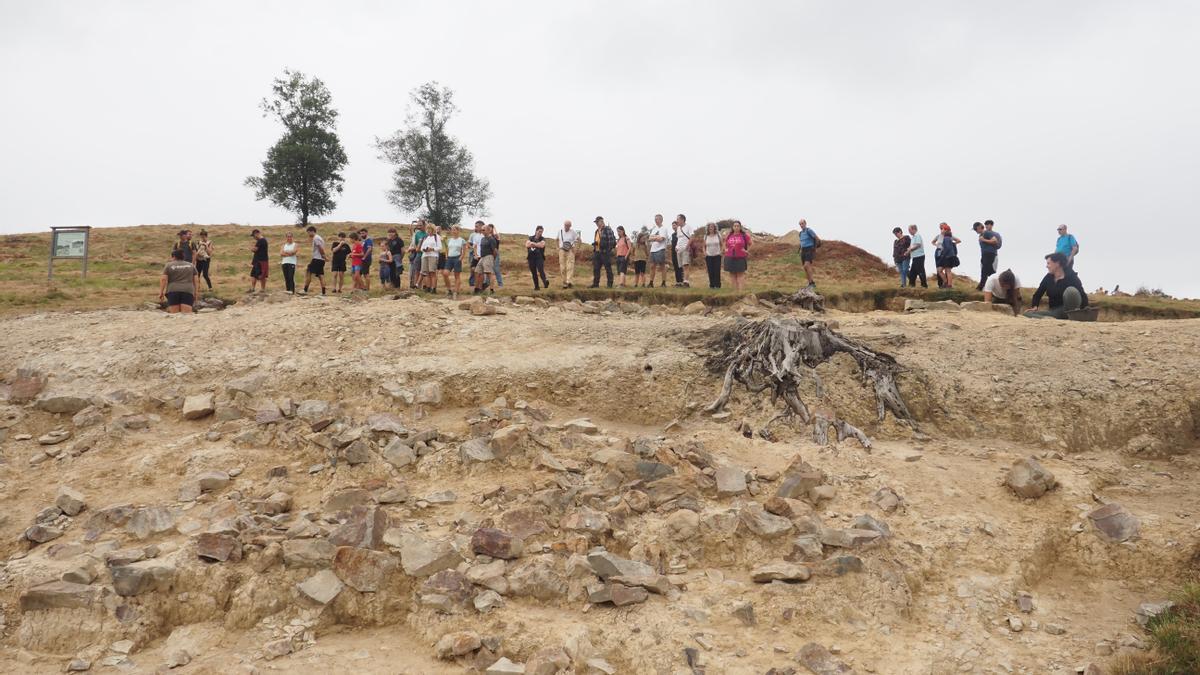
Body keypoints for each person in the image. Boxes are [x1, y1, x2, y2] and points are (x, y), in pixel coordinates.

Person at [1026, 252, 1088, 319]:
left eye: (1048, 263)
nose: (1046, 266)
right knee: (1027, 313)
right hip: (1054, 311)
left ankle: (1070, 316)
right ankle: (1046, 319)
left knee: (1071, 291)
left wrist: (1086, 309)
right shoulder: (1048, 277)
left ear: (1057, 263)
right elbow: (1037, 294)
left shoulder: (1071, 277)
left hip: (1070, 310)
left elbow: (1082, 295)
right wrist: (1035, 307)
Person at [723, 220, 751, 291]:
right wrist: (725, 249)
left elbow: (751, 243)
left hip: (740, 257)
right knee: (732, 275)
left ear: (740, 227)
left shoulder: (744, 235)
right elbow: (724, 243)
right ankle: (735, 292)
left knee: (740, 275)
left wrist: (747, 251)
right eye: (735, 226)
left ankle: (740, 292)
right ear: (732, 227)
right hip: (729, 257)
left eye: (738, 226)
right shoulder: (729, 235)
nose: (736, 227)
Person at [975, 220, 1002, 291]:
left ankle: (980, 287)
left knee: (984, 271)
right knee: (990, 272)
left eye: (975, 229)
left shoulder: (987, 232)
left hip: (989, 254)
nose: (975, 231)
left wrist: (983, 240)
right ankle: (993, 288)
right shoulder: (985, 233)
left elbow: (994, 241)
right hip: (987, 254)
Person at [590, 216, 616, 288]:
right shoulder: (597, 231)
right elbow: (598, 240)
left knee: (608, 268)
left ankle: (609, 284)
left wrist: (608, 250)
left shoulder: (607, 229)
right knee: (596, 269)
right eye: (596, 222)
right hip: (597, 252)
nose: (596, 224)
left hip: (605, 252)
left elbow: (612, 241)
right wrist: (595, 244)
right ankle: (595, 284)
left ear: (601, 221)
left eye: (597, 222)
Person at [933, 223, 962, 288]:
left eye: (942, 229)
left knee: (945, 270)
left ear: (946, 230)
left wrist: (943, 254)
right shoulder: (948, 238)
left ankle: (948, 284)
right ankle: (947, 283)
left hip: (946, 256)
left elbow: (947, 248)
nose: (941, 230)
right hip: (949, 256)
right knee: (943, 270)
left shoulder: (946, 238)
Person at [302, 226, 327, 295]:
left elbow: (320, 248)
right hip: (320, 260)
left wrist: (324, 255)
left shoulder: (316, 238)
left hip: (317, 259)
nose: (308, 234)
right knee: (320, 275)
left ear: (312, 231)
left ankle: (305, 290)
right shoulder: (320, 238)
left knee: (309, 272)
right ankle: (323, 292)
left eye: (308, 232)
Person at [474, 224, 499, 293]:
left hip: (488, 256)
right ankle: (477, 288)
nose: (482, 231)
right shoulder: (482, 239)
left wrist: (493, 258)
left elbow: (495, 250)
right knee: (477, 271)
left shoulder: (491, 239)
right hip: (482, 257)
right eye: (481, 230)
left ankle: (492, 290)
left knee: (489, 273)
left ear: (488, 230)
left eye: (483, 230)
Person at [556, 220, 579, 288]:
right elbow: (557, 239)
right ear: (564, 225)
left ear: (570, 226)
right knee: (562, 267)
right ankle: (564, 282)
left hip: (570, 250)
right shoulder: (560, 231)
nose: (566, 227)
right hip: (562, 250)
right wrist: (557, 248)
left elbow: (579, 239)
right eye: (565, 225)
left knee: (570, 266)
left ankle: (569, 282)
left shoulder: (573, 232)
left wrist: (576, 249)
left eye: (568, 226)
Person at [445, 225, 466, 297]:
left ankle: (456, 292)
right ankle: (449, 289)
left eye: (454, 230)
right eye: (452, 230)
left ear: (458, 231)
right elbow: (447, 248)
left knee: (456, 275)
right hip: (450, 258)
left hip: (457, 257)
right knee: (445, 273)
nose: (453, 231)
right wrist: (446, 256)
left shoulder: (462, 240)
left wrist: (460, 258)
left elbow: (464, 251)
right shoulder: (449, 240)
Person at [648, 214, 669, 287]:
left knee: (662, 266)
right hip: (653, 249)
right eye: (655, 219)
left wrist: (654, 238)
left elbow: (661, 239)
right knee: (652, 266)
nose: (655, 220)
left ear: (661, 220)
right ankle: (651, 283)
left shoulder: (664, 229)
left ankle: (663, 283)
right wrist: (656, 237)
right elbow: (649, 238)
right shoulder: (654, 229)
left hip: (660, 249)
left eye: (657, 219)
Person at [526, 225, 549, 290]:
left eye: (541, 232)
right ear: (536, 231)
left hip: (539, 257)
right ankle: (536, 287)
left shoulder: (542, 239)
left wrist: (533, 244)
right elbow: (527, 245)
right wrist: (537, 245)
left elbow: (542, 245)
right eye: (539, 231)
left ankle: (545, 282)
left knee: (540, 270)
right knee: (533, 272)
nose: (540, 233)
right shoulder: (530, 237)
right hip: (531, 257)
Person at [798, 219, 819, 288]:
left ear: (805, 223)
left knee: (806, 265)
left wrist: (815, 249)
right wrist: (801, 250)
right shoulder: (800, 233)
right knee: (805, 268)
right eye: (800, 224)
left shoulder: (809, 230)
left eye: (802, 223)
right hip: (803, 251)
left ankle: (812, 283)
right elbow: (802, 242)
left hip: (809, 249)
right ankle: (810, 283)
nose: (801, 225)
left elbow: (816, 238)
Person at [419, 225, 441, 291]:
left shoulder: (437, 237)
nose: (428, 230)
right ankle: (428, 287)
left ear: (433, 229)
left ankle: (433, 288)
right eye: (427, 229)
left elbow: (440, 247)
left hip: (433, 256)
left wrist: (432, 249)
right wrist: (424, 249)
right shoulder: (426, 237)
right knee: (426, 272)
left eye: (430, 229)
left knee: (432, 272)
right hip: (425, 255)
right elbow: (421, 247)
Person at [673, 214, 692, 287]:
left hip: (685, 248)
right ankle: (682, 281)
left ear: (682, 220)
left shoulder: (688, 227)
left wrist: (687, 246)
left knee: (686, 265)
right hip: (679, 249)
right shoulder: (678, 228)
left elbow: (692, 237)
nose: (677, 221)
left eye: (678, 219)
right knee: (681, 266)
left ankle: (686, 282)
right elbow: (679, 238)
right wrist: (676, 246)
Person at [409, 221, 428, 289]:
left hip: (427, 255)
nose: (419, 227)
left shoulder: (428, 234)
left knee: (425, 271)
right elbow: (415, 244)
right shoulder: (417, 234)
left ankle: (426, 286)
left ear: (425, 225)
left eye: (420, 225)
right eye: (418, 225)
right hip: (419, 254)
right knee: (417, 270)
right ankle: (417, 286)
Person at [703, 222, 722, 289]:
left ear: (715, 228)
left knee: (717, 270)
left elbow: (722, 244)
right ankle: (712, 285)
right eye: (709, 227)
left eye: (712, 227)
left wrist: (721, 252)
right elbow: (703, 246)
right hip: (709, 256)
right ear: (707, 228)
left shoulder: (718, 235)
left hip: (717, 255)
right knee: (710, 271)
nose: (711, 228)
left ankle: (718, 285)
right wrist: (704, 253)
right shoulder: (705, 236)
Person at [467, 220, 484, 288]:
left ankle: (480, 286)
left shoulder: (485, 235)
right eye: (475, 226)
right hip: (475, 255)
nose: (475, 228)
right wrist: (475, 254)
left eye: (477, 226)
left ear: (481, 226)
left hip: (483, 256)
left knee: (480, 272)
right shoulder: (475, 235)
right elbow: (474, 246)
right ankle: (474, 284)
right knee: (473, 269)